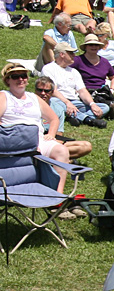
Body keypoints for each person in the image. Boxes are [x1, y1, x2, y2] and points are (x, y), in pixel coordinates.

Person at [0, 62, 74, 197]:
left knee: (61, 150)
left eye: (23, 76)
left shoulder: (34, 98)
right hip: (13, 142)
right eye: (16, 76)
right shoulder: (4, 96)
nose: (21, 79)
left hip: (38, 139)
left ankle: (57, 195)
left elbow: (54, 119)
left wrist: (51, 134)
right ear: (7, 80)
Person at [42, 43, 108, 128]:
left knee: (104, 107)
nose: (74, 55)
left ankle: (74, 117)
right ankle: (88, 120)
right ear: (62, 54)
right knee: (56, 104)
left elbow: (82, 91)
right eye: (70, 53)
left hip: (75, 102)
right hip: (59, 100)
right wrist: (67, 102)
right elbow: (52, 91)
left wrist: (92, 104)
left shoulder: (74, 71)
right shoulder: (49, 69)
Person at [33, 76, 92, 161]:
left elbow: (59, 134)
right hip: (35, 140)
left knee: (86, 146)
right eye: (39, 90)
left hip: (51, 139)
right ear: (35, 91)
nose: (43, 93)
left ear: (52, 92)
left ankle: (54, 158)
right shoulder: (28, 105)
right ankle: (63, 160)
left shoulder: (58, 108)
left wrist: (53, 141)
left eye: (47, 91)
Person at [71, 34, 114, 101]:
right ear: (86, 47)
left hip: (102, 93)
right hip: (83, 92)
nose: (94, 47)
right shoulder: (77, 60)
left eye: (96, 45)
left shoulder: (105, 62)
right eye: (91, 45)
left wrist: (112, 89)